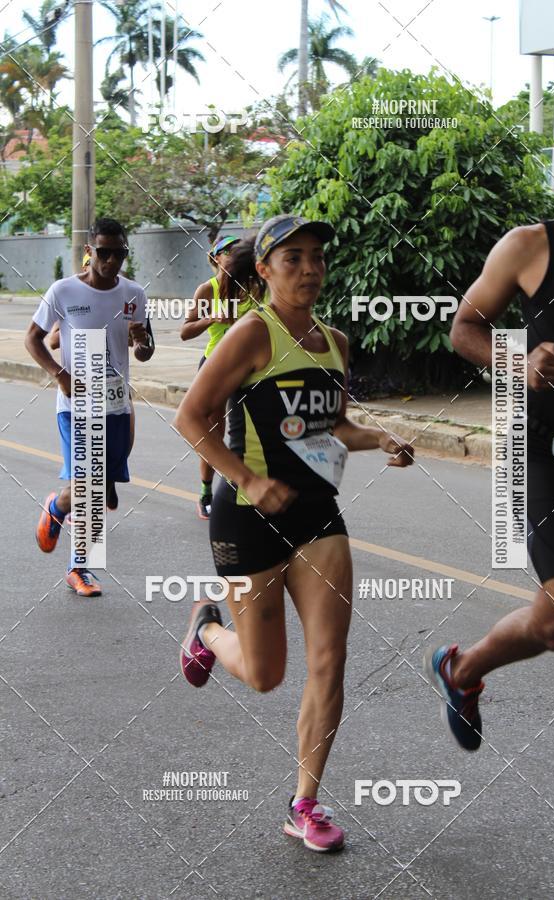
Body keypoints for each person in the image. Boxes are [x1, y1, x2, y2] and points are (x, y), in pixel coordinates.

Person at [174, 214, 414, 851]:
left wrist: (380, 438)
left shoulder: (335, 342)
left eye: (317, 257)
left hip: (317, 516)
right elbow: (190, 417)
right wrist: (247, 480)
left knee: (330, 659)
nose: (309, 269)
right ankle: (206, 629)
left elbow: (333, 428)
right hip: (246, 516)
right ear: (265, 269)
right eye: (293, 258)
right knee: (264, 674)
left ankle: (305, 802)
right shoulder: (252, 333)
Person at [424, 103, 554, 828]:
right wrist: (516, 360)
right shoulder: (531, 247)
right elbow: (465, 326)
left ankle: (461, 669)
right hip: (550, 456)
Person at [25, 217, 149, 597]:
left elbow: (145, 349)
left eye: (119, 253)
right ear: (89, 251)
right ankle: (80, 568)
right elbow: (33, 339)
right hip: (76, 405)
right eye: (104, 252)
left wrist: (142, 343)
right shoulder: (63, 291)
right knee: (91, 488)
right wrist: (60, 375)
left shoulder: (134, 293)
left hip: (117, 406)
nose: (111, 261)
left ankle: (57, 506)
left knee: (92, 486)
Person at [46, 255, 155, 508]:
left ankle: (108, 480)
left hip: (115, 392)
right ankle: (64, 506)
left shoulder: (129, 295)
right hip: (81, 397)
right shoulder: (70, 295)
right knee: (85, 486)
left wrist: (137, 339)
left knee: (119, 454)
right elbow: (51, 340)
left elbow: (144, 350)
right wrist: (82, 326)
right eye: (89, 266)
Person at [181, 235, 254, 519]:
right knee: (213, 433)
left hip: (248, 366)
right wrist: (212, 317)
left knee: (250, 432)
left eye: (239, 250)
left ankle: (244, 491)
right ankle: (205, 492)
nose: (235, 254)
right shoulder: (207, 290)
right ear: (215, 258)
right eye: (228, 250)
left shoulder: (253, 287)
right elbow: (185, 331)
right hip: (214, 367)